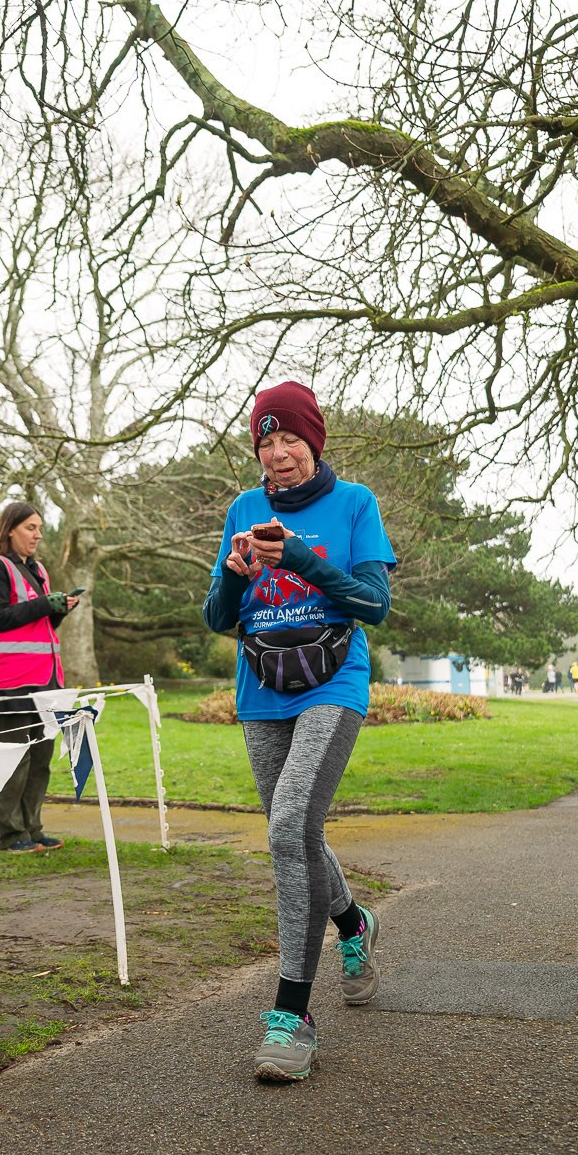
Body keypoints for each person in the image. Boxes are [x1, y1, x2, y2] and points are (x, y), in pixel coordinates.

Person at [201, 381, 396, 1082]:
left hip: (333, 682)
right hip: (260, 689)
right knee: (297, 833)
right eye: (265, 440)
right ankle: (352, 924)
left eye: (290, 439)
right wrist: (233, 574)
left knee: (286, 826)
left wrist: (303, 561)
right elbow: (217, 616)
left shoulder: (355, 504)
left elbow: (374, 602)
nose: (278, 453)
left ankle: (292, 1014)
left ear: (314, 441)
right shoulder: (243, 509)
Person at [0, 503, 79, 853]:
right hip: (11, 682)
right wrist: (47, 604)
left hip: (46, 681)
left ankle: (32, 829)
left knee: (39, 761)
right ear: (9, 530)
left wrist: (58, 609)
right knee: (13, 762)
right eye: (31, 528)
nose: (37, 535)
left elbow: (40, 622)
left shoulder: (39, 569)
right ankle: (8, 834)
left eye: (39, 529)